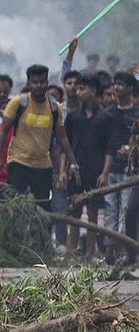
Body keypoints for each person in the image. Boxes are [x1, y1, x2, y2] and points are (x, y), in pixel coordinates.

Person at [0, 64, 78, 210]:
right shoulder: (18, 103)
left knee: (42, 210)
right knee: (15, 207)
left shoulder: (54, 107)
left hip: (43, 166)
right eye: (35, 82)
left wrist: (74, 163)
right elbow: (3, 131)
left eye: (42, 82)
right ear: (29, 83)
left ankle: (40, 233)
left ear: (47, 83)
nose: (39, 85)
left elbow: (62, 137)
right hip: (18, 162)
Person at [93, 71, 139, 262]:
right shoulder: (107, 114)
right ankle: (110, 251)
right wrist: (103, 170)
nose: (117, 88)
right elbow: (104, 145)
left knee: (127, 210)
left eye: (121, 84)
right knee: (111, 209)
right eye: (115, 84)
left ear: (130, 88)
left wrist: (131, 152)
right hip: (111, 169)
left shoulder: (136, 114)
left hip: (131, 170)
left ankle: (125, 251)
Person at [64, 75, 106, 261]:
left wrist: (104, 172)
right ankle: (71, 252)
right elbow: (65, 144)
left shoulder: (105, 117)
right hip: (76, 170)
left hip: (96, 172)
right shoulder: (73, 116)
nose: (77, 92)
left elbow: (108, 149)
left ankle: (90, 253)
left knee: (93, 213)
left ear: (93, 91)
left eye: (82, 89)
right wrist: (63, 170)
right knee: (74, 209)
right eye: (77, 88)